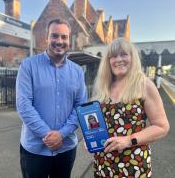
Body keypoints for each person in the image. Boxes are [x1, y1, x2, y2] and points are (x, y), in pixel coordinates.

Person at [16, 19, 87, 178]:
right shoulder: (28, 66)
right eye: (54, 36)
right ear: (46, 38)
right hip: (35, 149)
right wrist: (49, 136)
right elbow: (24, 106)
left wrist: (61, 134)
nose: (59, 41)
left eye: (64, 37)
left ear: (69, 39)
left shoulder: (77, 72)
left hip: (66, 148)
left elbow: (80, 106)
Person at [91, 38, 170, 177]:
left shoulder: (143, 84)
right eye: (114, 56)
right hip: (103, 165)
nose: (118, 59)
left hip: (133, 166)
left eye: (124, 54)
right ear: (108, 61)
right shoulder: (104, 87)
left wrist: (128, 140)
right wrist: (92, 139)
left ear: (132, 58)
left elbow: (162, 126)